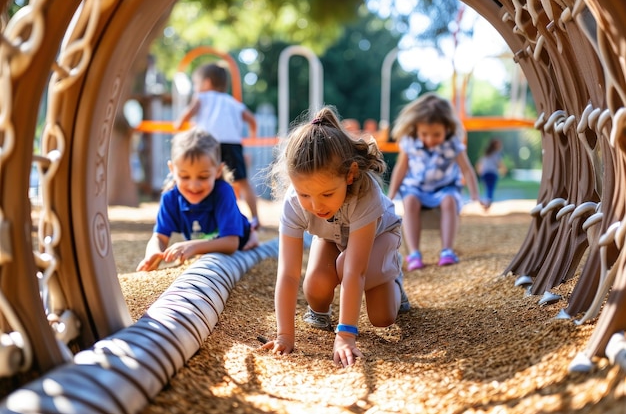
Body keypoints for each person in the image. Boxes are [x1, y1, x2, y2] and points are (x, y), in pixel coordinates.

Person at [261, 106, 410, 368]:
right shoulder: (294, 203)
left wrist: (345, 335)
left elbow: (354, 272)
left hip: (378, 237)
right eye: (305, 194)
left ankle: (393, 277)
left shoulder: (365, 194)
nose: (316, 206)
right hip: (332, 238)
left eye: (327, 194)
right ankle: (319, 311)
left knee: (382, 317)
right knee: (316, 285)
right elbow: (287, 273)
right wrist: (285, 335)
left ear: (350, 175)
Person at [136, 129, 258, 272]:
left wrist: (193, 246)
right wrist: (153, 252)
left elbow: (231, 243)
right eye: (184, 177)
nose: (194, 186)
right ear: (172, 169)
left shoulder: (223, 192)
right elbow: (160, 237)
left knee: (247, 240)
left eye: (203, 177)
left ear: (218, 171)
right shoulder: (170, 198)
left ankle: (252, 232)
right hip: (207, 240)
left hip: (240, 238)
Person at [387, 92, 482, 271]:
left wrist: (476, 196)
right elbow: (401, 169)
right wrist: (390, 196)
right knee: (410, 201)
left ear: (447, 128)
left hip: (445, 187)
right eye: (425, 134)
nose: (430, 139)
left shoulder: (453, 143)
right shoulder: (410, 142)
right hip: (417, 187)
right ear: (416, 128)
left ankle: (447, 250)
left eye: (436, 134)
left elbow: (467, 170)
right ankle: (414, 253)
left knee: (449, 201)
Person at [174, 62, 261, 230]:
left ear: (206, 83)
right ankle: (256, 218)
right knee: (242, 182)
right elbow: (251, 120)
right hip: (233, 144)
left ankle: (206, 217)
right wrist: (252, 137)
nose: (196, 88)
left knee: (206, 178)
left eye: (197, 84)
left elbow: (189, 112)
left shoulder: (202, 97)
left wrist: (179, 124)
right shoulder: (233, 102)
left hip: (208, 145)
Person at [476, 138, 506, 209]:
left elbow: (479, 163)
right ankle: (488, 202)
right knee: (490, 188)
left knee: (487, 188)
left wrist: (480, 171)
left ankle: (486, 201)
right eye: (498, 144)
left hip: (485, 173)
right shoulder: (496, 153)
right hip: (492, 173)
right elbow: (499, 164)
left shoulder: (486, 153)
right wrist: (504, 170)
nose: (500, 146)